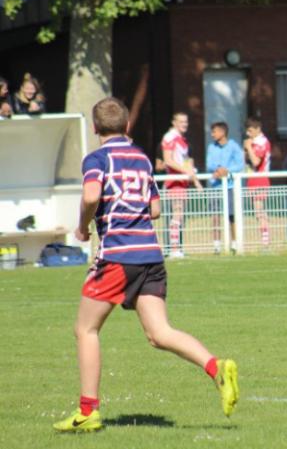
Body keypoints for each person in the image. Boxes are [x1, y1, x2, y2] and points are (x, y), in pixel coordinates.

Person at [53, 97, 238, 433]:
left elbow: (92, 195)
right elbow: (154, 210)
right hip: (150, 255)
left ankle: (88, 411)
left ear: (95, 128)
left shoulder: (97, 158)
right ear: (127, 127)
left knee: (85, 329)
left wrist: (83, 226)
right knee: (159, 333)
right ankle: (216, 367)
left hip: (118, 256)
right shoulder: (140, 158)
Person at [161, 113, 203, 258]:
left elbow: (186, 162)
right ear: (174, 122)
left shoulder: (182, 140)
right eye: (181, 121)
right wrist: (186, 172)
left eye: (186, 121)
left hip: (182, 181)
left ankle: (176, 247)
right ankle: (173, 249)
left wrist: (195, 181)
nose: (184, 124)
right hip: (175, 181)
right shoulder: (170, 138)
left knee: (179, 215)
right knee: (176, 214)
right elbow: (168, 160)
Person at [206, 121, 245, 254]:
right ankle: (216, 245)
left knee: (231, 215)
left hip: (230, 186)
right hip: (215, 186)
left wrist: (227, 170)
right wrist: (218, 169)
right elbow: (209, 164)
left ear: (222, 132)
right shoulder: (211, 147)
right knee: (215, 215)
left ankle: (234, 243)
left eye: (214, 131)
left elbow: (240, 164)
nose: (212, 134)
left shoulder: (234, 146)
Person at [244, 117, 271, 246]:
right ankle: (264, 238)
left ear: (257, 129)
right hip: (253, 179)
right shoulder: (255, 142)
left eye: (250, 130)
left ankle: (265, 241)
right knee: (257, 211)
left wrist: (248, 147)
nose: (248, 134)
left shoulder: (261, 142)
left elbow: (256, 161)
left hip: (260, 180)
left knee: (259, 210)